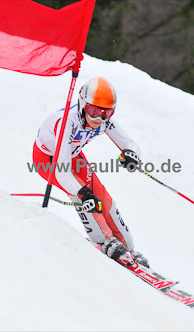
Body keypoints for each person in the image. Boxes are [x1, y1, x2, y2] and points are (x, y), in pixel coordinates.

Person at [33, 77, 149, 267]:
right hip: (47, 160)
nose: (99, 119)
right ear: (82, 104)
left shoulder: (104, 120)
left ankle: (128, 246)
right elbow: (62, 171)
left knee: (101, 195)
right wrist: (83, 193)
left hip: (73, 156)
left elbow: (129, 143)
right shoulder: (67, 123)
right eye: (93, 112)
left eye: (106, 113)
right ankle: (104, 241)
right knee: (85, 197)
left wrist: (131, 154)